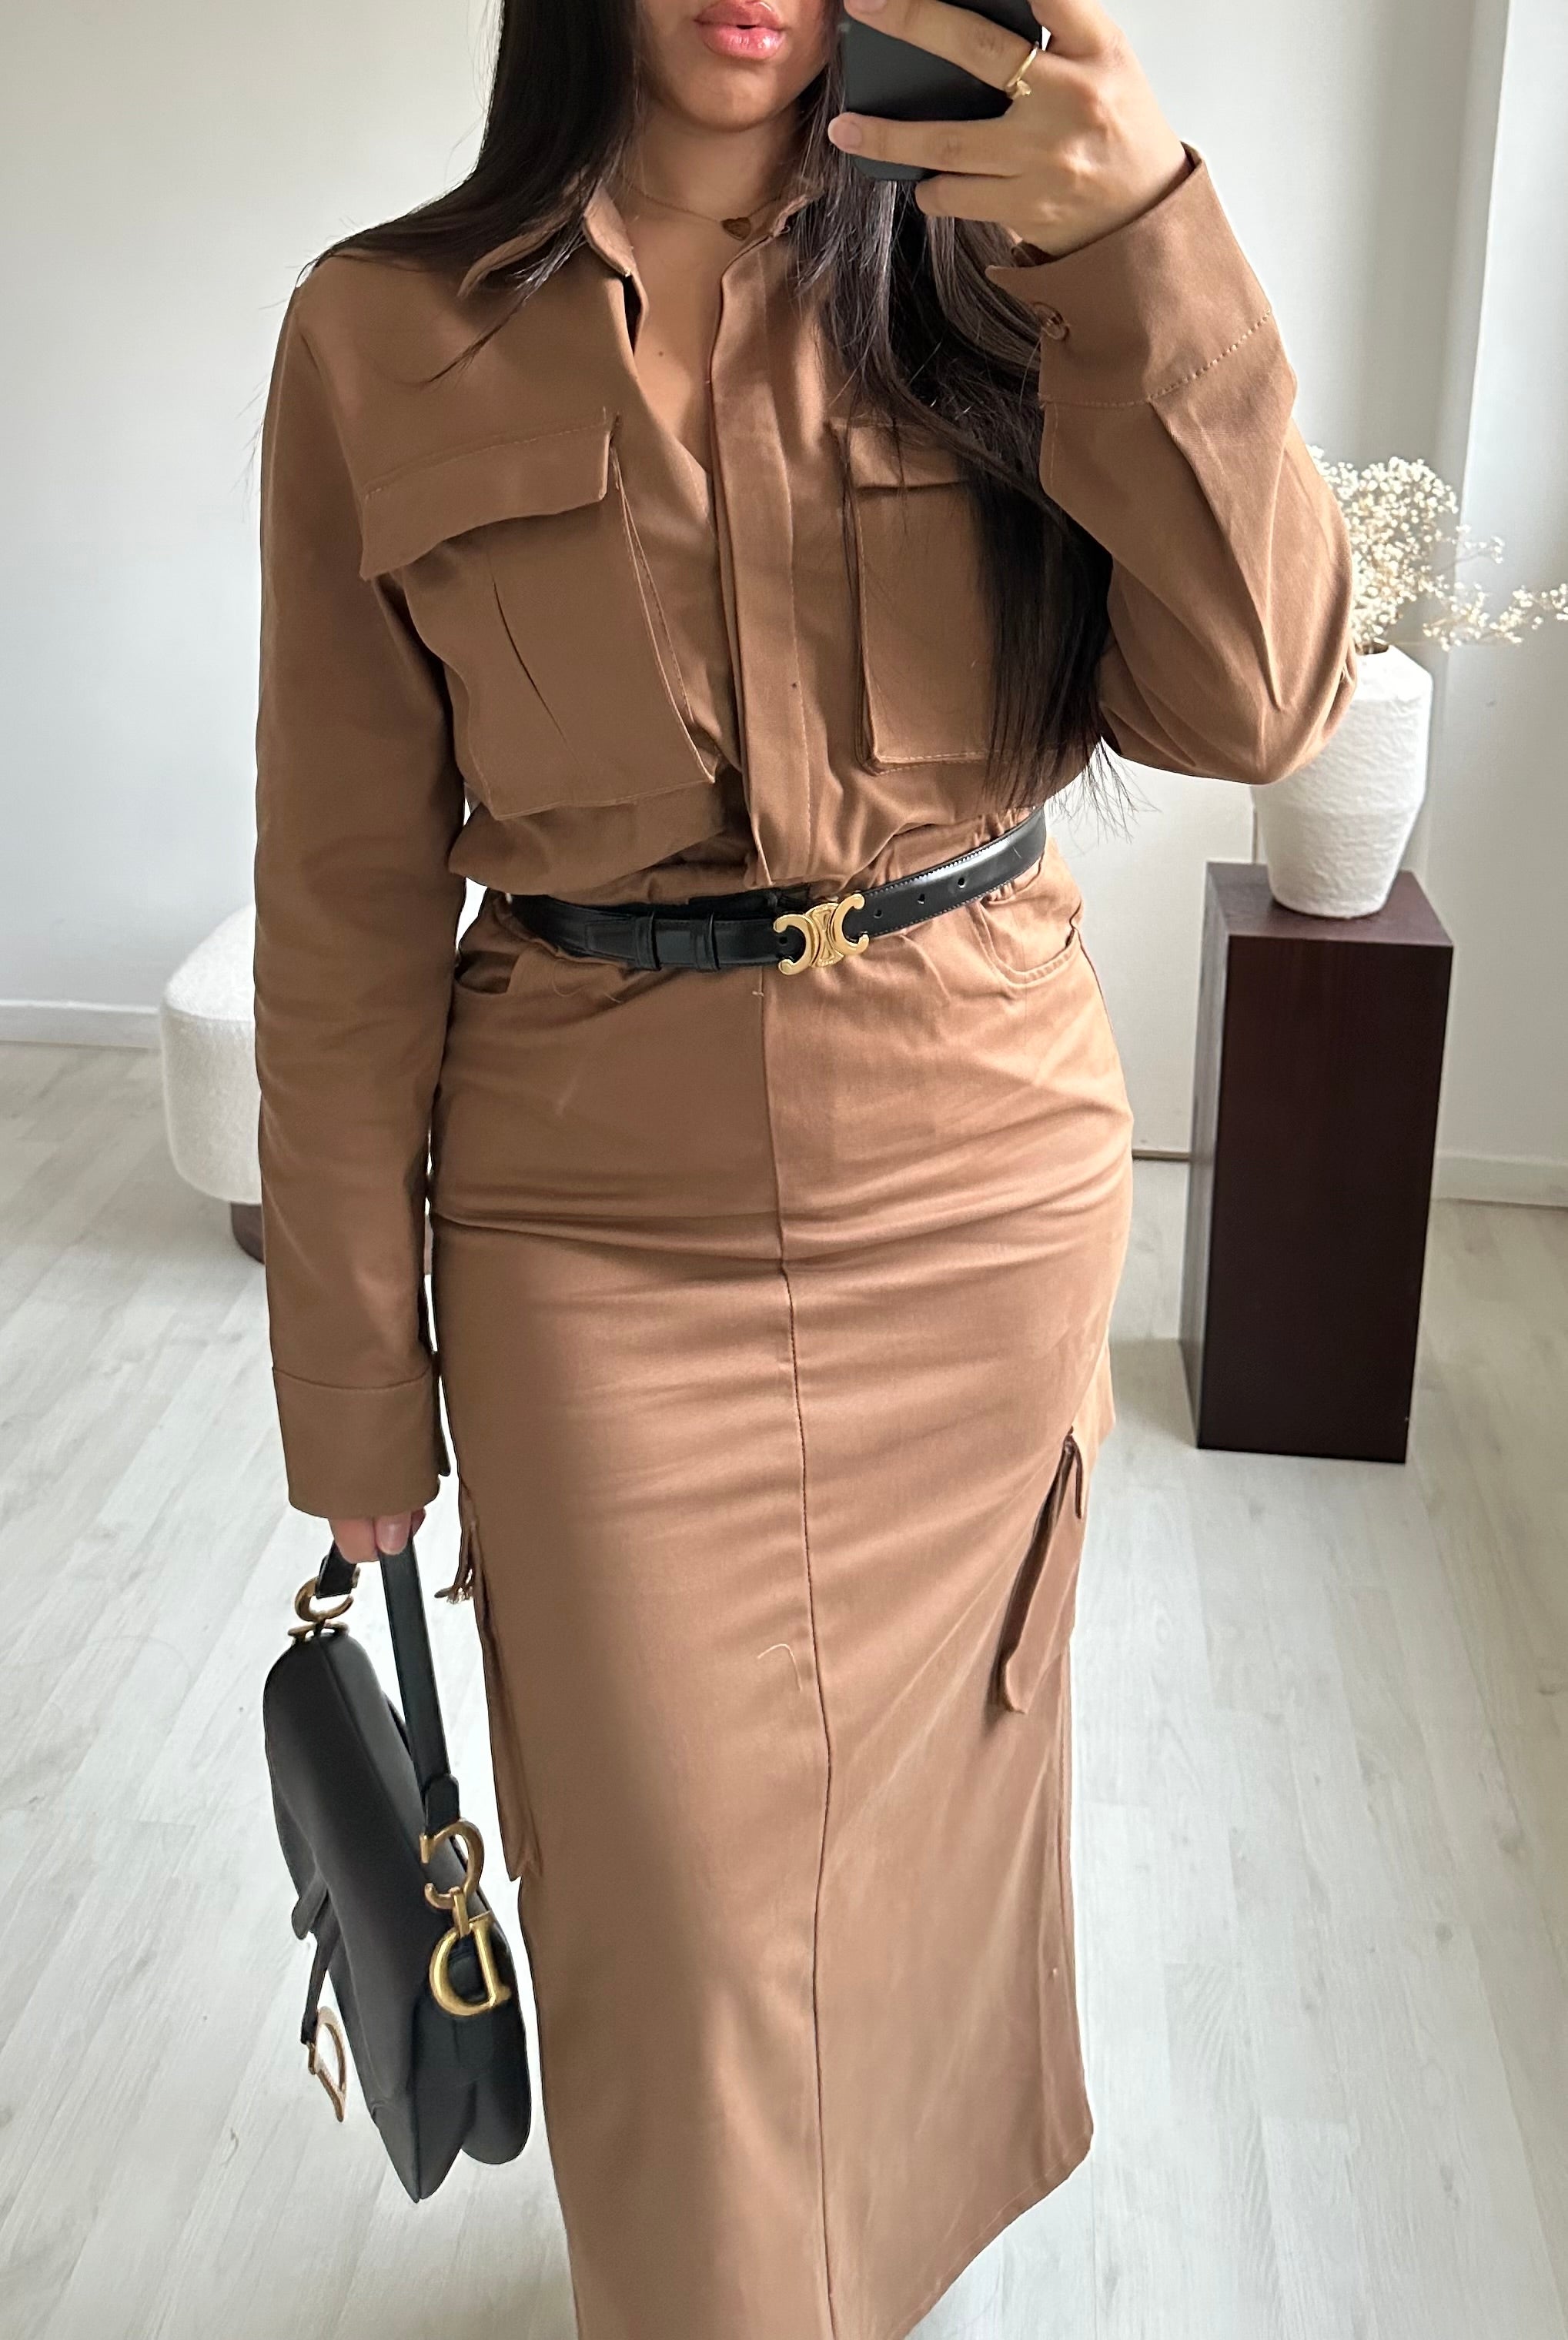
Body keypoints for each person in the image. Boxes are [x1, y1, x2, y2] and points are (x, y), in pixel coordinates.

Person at [253, 1, 1355, 2332]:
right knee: (665, 1909)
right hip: (592, 1216)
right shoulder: (381, 334)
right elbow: (340, 899)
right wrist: (353, 1392)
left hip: (976, 1177)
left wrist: (1146, 243)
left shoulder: (1013, 269)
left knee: (930, 1847)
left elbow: (1260, 703)